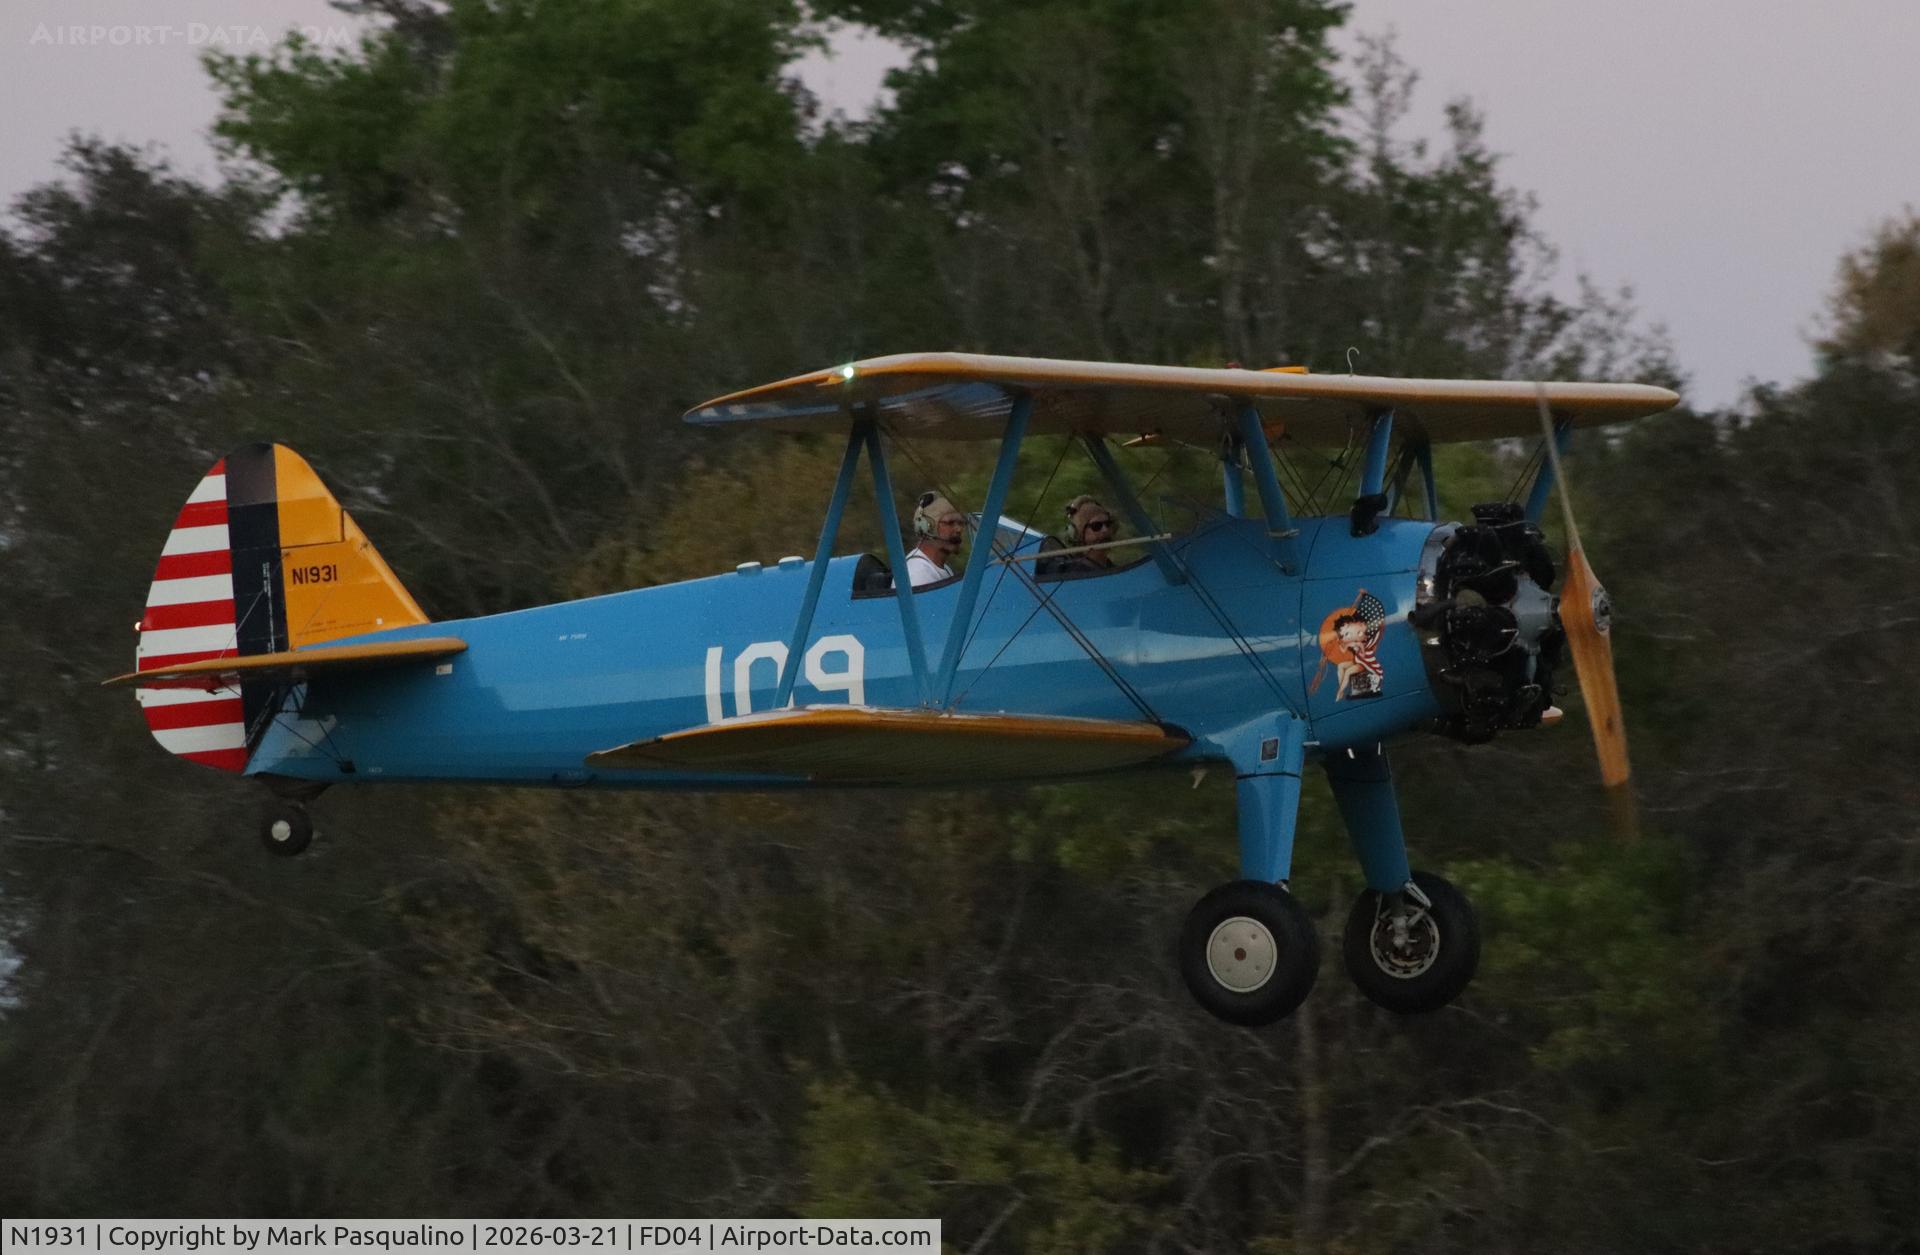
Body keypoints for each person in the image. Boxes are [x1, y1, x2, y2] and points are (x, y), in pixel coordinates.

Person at [906, 491, 965, 588]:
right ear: (926, 528)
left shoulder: (944, 569)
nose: (958, 529)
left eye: (961, 523)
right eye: (950, 523)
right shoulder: (918, 573)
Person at [1053, 495, 1119, 575]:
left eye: (1108, 524)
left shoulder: (1114, 568)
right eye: (1096, 526)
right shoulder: (1074, 573)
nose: (1105, 530)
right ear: (1076, 533)